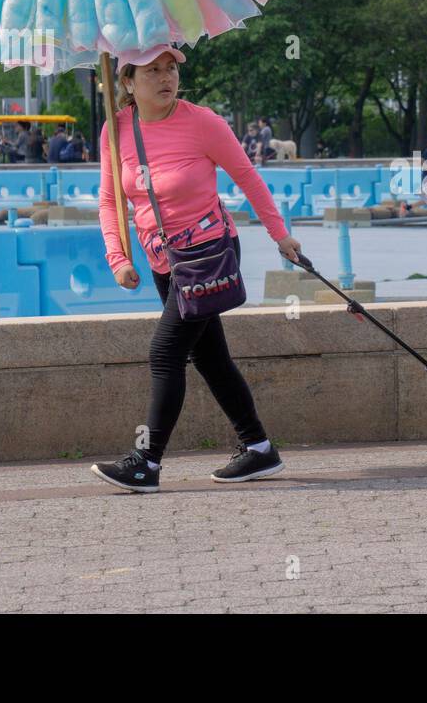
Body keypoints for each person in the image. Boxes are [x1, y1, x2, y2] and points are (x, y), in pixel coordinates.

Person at [93, 46, 303, 493]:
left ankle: (146, 462)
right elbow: (110, 200)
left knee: (165, 352)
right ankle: (259, 449)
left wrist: (279, 234)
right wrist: (118, 258)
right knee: (210, 357)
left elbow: (248, 177)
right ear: (127, 82)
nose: (166, 78)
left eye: (170, 69)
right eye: (153, 71)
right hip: (162, 260)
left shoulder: (203, 122)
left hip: (209, 253)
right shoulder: (116, 130)